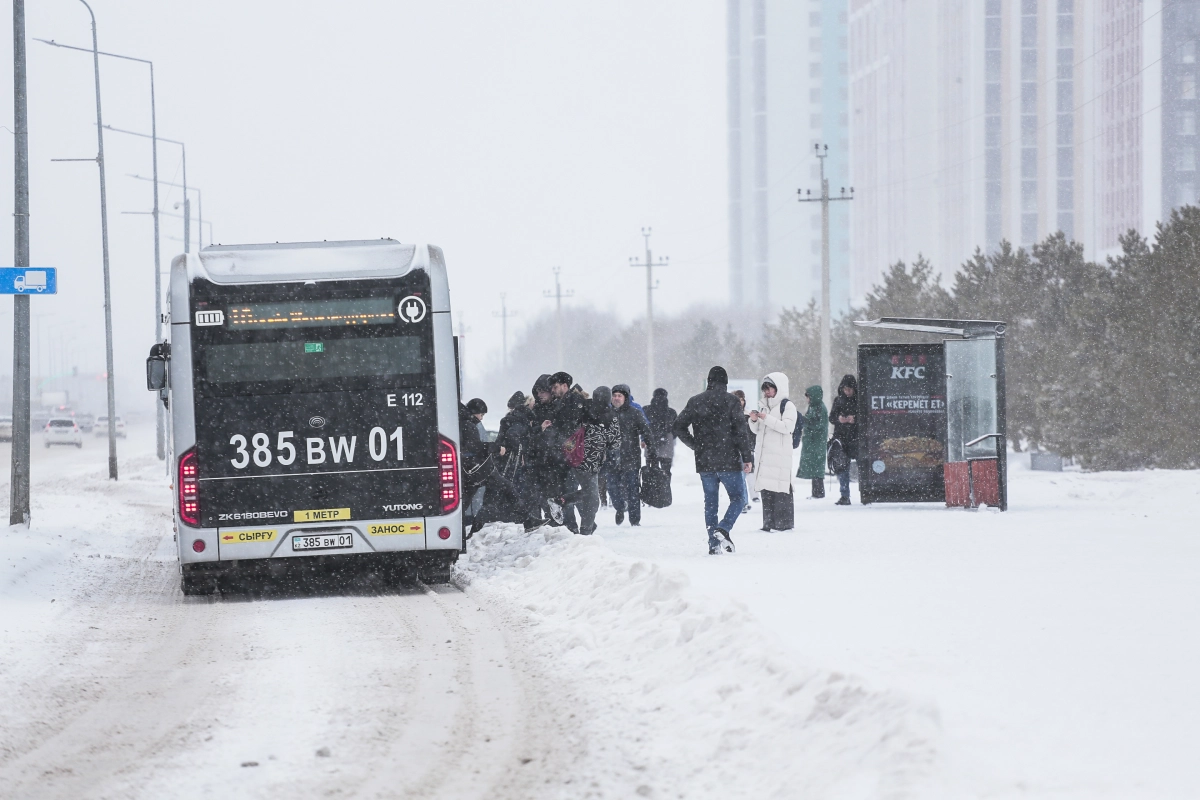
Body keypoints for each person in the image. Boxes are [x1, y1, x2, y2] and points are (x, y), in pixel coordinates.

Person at [673, 366, 753, 555]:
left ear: (709, 381)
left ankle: (713, 545)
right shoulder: (732, 401)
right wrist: (747, 457)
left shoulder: (695, 401)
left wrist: (695, 445)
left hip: (705, 461)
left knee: (711, 503)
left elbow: (678, 426)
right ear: (725, 382)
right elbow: (741, 432)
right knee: (739, 498)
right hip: (729, 460)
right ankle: (723, 528)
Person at [748, 373, 798, 531]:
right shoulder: (764, 405)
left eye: (769, 389)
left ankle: (783, 524)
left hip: (779, 456)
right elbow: (757, 430)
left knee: (780, 488)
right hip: (765, 456)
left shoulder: (788, 406)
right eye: (765, 389)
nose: (767, 392)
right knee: (766, 489)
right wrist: (754, 420)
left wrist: (767, 418)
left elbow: (787, 427)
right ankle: (768, 523)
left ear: (779, 388)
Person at [568, 386, 621, 535]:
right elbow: (615, 442)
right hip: (591, 462)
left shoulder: (583, 408)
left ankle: (570, 508)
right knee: (591, 499)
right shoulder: (611, 415)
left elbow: (571, 427)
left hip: (572, 457)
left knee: (581, 492)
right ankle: (586, 530)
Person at [608, 383, 656, 526]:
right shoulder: (607, 413)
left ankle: (635, 520)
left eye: (619, 396)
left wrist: (651, 451)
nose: (616, 398)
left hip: (630, 457)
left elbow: (646, 431)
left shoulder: (635, 413)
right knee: (612, 487)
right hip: (611, 457)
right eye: (614, 395)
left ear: (625, 398)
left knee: (632, 489)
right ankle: (620, 507)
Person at [829, 374, 859, 506]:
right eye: (846, 389)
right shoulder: (838, 400)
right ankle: (844, 495)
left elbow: (866, 417)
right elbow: (831, 417)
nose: (848, 392)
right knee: (842, 467)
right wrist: (839, 419)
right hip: (841, 438)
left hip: (856, 437)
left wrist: (855, 419)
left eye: (850, 389)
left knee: (862, 465)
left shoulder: (859, 400)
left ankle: (866, 492)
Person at [797, 385, 828, 498]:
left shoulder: (819, 408)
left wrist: (805, 420)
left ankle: (818, 492)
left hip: (817, 442)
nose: (807, 399)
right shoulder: (814, 407)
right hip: (813, 441)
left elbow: (817, 424)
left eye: (808, 396)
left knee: (817, 467)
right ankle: (816, 492)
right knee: (815, 466)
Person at [644, 388, 677, 477]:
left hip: (650, 443)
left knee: (651, 472)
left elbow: (642, 426)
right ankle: (665, 488)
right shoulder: (671, 412)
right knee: (666, 472)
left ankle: (652, 489)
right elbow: (676, 429)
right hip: (667, 445)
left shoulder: (646, 410)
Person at [732, 389, 755, 513]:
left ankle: (744, 501)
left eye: (742, 399)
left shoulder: (747, 416)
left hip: (744, 449)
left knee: (741, 477)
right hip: (732, 450)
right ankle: (741, 501)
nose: (740, 402)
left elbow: (751, 434)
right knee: (737, 477)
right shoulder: (729, 415)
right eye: (738, 399)